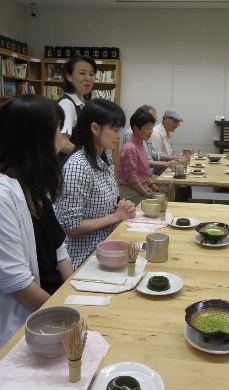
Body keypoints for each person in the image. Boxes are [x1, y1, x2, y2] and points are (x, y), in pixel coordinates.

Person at [0, 94, 74, 348]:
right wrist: (68, 319)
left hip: (54, 303)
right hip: (30, 321)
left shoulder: (35, 185)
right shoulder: (3, 194)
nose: (63, 138)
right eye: (58, 130)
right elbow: (18, 284)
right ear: (36, 138)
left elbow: (59, 250)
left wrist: (75, 295)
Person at [54, 99, 136, 270]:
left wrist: (121, 207)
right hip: (85, 257)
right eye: (114, 129)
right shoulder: (78, 166)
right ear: (95, 128)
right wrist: (115, 217)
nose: (118, 135)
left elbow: (105, 205)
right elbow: (71, 226)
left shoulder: (104, 158)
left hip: (107, 248)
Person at [120, 105, 182, 177]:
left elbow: (152, 154)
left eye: (154, 120)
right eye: (150, 119)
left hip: (148, 176)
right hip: (141, 178)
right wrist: (166, 164)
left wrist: (171, 159)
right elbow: (138, 164)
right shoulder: (131, 134)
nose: (152, 123)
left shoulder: (145, 133)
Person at [118, 107, 163, 205]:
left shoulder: (141, 144)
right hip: (130, 192)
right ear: (135, 128)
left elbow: (143, 171)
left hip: (141, 188)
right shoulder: (130, 148)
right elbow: (132, 179)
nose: (151, 131)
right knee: (159, 206)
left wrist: (152, 184)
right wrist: (147, 194)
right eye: (147, 128)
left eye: (151, 128)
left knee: (163, 201)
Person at [58, 55, 97, 159]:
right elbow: (62, 143)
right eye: (82, 73)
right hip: (67, 168)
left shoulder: (82, 103)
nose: (88, 78)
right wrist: (88, 158)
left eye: (91, 74)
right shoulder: (67, 104)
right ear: (69, 76)